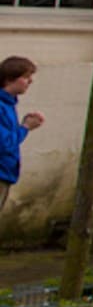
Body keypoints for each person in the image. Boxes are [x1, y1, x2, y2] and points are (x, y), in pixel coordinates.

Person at [1, 55, 47, 214]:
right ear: (9, 79)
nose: (30, 81)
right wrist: (26, 127)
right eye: (26, 77)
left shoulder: (8, 104)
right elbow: (5, 143)